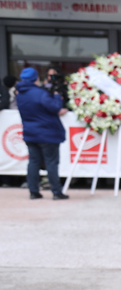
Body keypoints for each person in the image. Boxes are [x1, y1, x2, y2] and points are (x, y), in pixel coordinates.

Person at [16, 67, 68, 200]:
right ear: (36, 79)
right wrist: (57, 96)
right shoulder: (40, 93)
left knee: (33, 162)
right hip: (47, 133)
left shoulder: (20, 94)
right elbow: (55, 107)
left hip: (30, 133)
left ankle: (33, 191)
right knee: (51, 163)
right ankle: (56, 192)